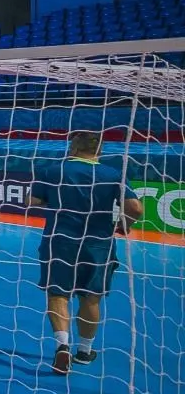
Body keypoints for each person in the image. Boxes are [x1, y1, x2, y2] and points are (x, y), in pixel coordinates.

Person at [29, 130, 142, 375]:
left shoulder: (52, 170)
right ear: (99, 150)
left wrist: (56, 201)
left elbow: (32, 201)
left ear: (74, 148)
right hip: (97, 245)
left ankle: (62, 346)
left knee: (58, 294)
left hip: (60, 242)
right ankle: (84, 351)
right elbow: (135, 208)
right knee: (91, 297)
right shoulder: (113, 174)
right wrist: (125, 224)